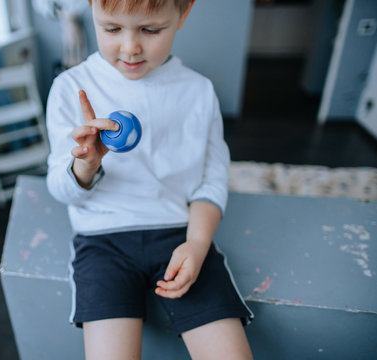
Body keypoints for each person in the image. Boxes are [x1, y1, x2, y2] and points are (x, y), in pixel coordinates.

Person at [45, 0, 254, 359]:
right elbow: (61, 190)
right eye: (111, 29)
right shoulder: (70, 88)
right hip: (102, 242)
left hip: (180, 236)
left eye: (150, 30)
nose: (130, 47)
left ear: (183, 14)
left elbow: (212, 181)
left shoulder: (199, 91)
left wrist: (197, 245)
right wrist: (86, 166)